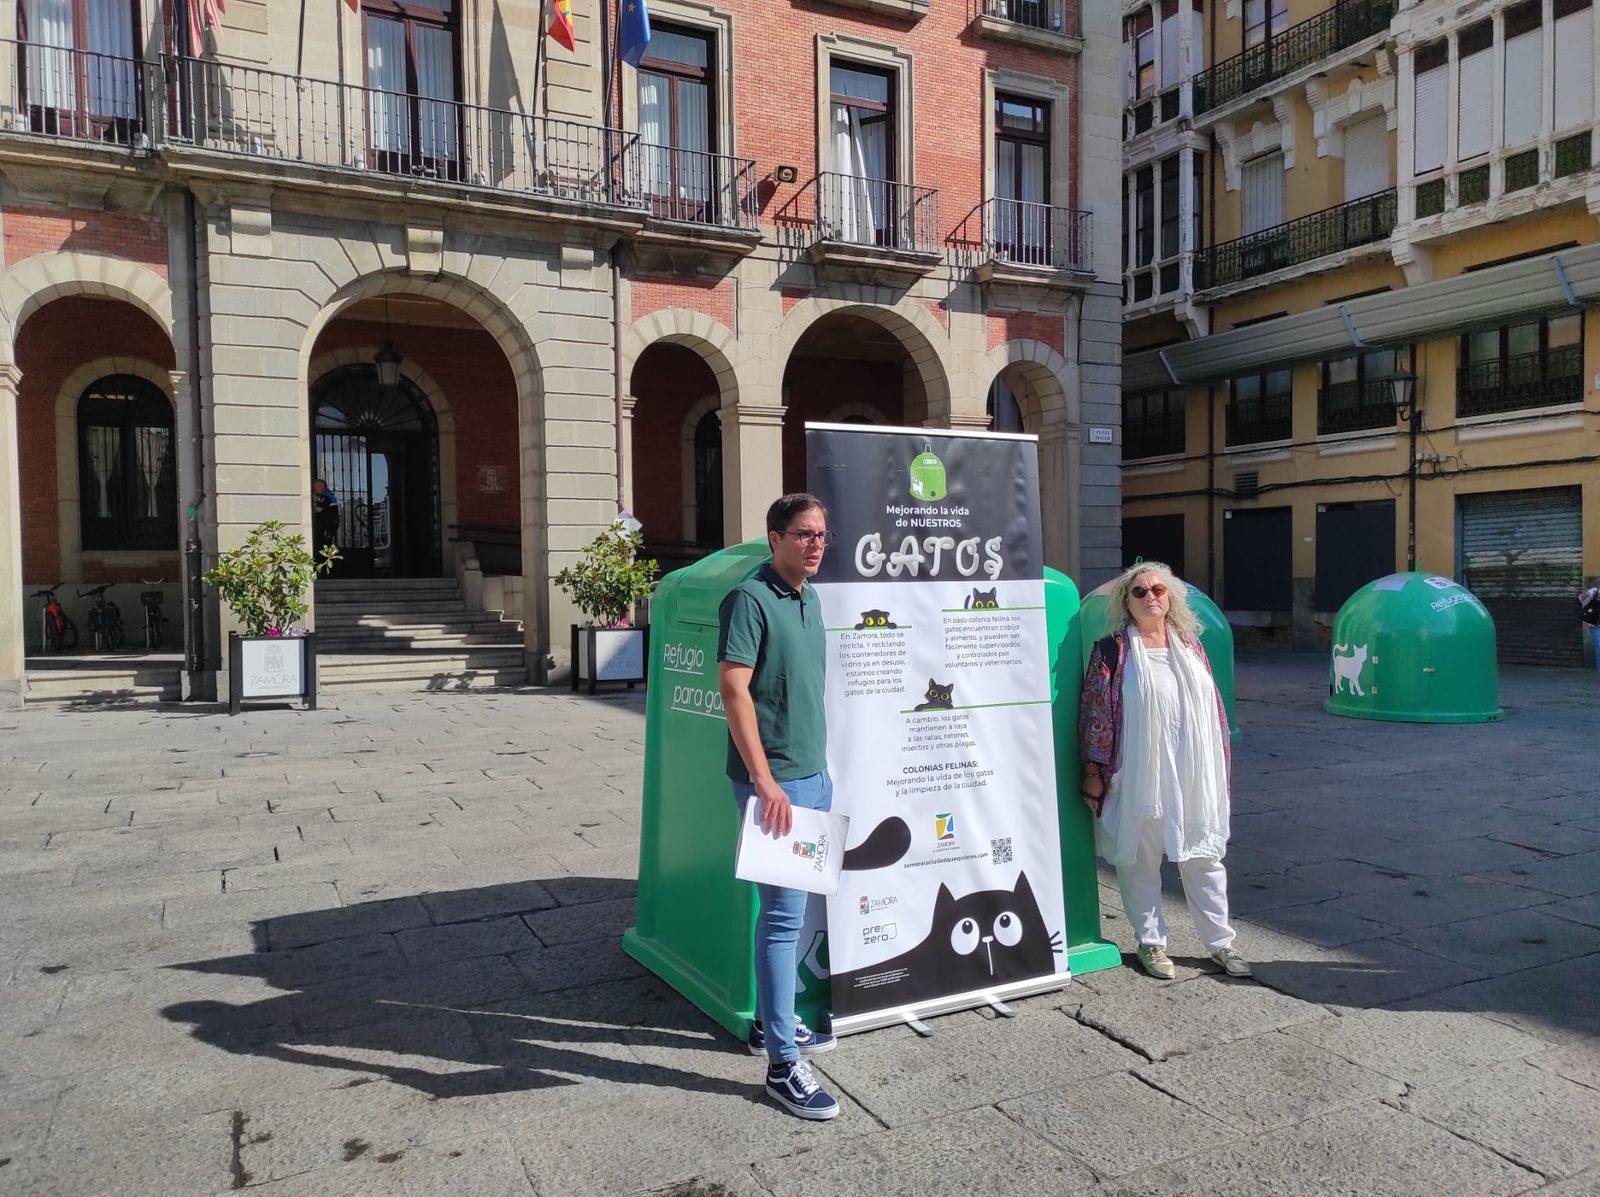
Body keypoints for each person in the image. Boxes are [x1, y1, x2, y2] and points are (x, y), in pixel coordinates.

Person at [717, 493, 840, 1121]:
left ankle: (774, 1025)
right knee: (785, 916)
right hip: (777, 787)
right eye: (803, 534)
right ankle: (783, 1065)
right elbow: (733, 689)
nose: (816, 544)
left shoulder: (809, 595)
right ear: (774, 538)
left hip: (811, 776)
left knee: (789, 910)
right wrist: (765, 781)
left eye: (821, 534)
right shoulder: (750, 598)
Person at [1078, 561, 1251, 981]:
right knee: (1139, 856)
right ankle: (1151, 942)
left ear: (1170, 597)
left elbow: (1214, 712)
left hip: (1193, 770)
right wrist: (1093, 770)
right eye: (1139, 592)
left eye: (1158, 589)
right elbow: (1096, 714)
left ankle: (1220, 943)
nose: (1150, 596)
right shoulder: (1111, 650)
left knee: (1204, 855)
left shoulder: (1192, 646)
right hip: (1139, 771)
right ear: (1126, 602)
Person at [312, 479, 340, 551]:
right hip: (325, 528)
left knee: (322, 549)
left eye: (321, 486)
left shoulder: (327, 497)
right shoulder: (324, 496)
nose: (320, 488)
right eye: (316, 486)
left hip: (326, 528)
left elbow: (319, 509)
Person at [1582, 585, 1600, 674]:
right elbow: (1581, 598)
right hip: (1595, 625)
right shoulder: (1594, 591)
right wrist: (1586, 595)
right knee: (1599, 647)